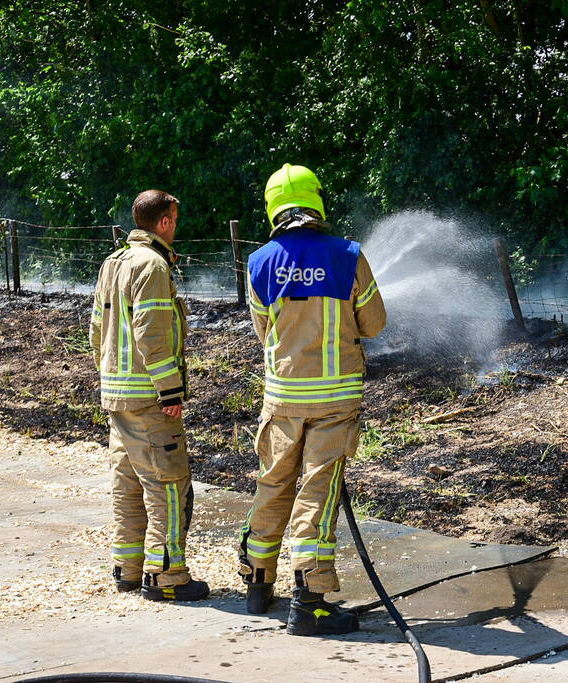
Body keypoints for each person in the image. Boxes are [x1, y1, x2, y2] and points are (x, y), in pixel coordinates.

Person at [238, 163, 387, 636]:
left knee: (273, 484)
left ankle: (257, 583)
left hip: (282, 399)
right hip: (334, 402)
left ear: (272, 207)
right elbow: (374, 323)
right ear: (317, 200)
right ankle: (310, 601)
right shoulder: (348, 255)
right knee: (317, 495)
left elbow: (264, 331)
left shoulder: (259, 262)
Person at [89, 189, 209, 602]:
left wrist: (109, 378)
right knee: (167, 485)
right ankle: (166, 576)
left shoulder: (113, 262)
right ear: (164, 222)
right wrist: (170, 391)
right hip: (149, 399)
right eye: (174, 218)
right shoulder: (153, 265)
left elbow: (96, 330)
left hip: (117, 396)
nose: (176, 226)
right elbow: (152, 335)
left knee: (127, 485)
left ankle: (128, 570)